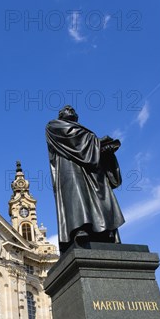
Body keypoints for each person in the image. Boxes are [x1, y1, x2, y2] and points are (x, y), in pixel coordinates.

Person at [46, 105, 124, 253]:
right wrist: (98, 143)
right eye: (66, 109)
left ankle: (105, 231)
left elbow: (86, 145)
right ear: (60, 115)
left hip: (93, 172)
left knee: (101, 199)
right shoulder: (53, 126)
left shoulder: (86, 133)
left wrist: (105, 151)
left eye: (72, 109)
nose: (69, 108)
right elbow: (72, 138)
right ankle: (80, 228)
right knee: (77, 198)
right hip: (71, 170)